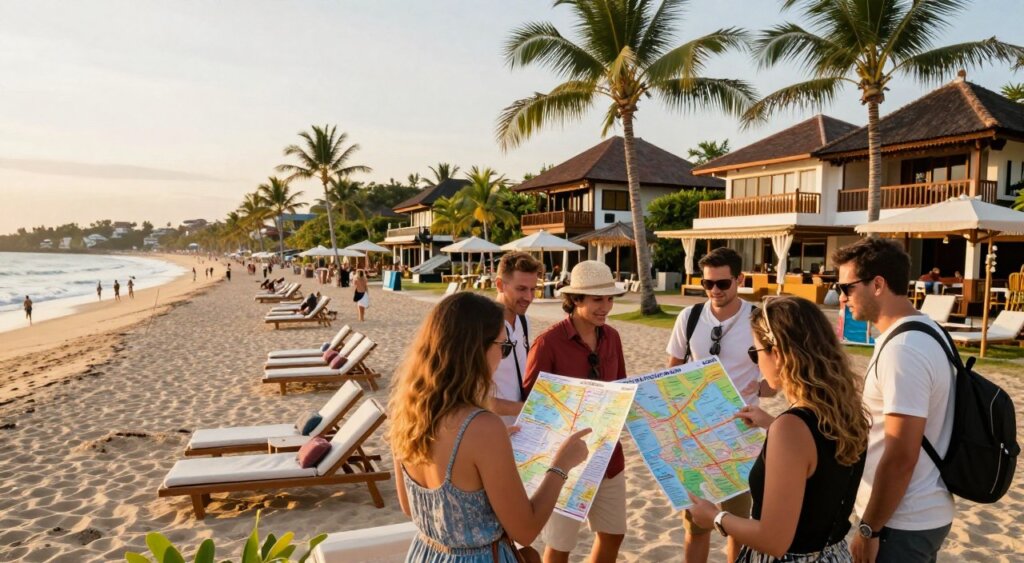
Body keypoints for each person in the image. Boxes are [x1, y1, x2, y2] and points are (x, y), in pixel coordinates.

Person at [389, 292, 592, 562]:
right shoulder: (482, 427)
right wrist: (561, 466)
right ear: (476, 351)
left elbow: (409, 507)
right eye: (503, 346)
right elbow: (526, 530)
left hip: (427, 552)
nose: (503, 356)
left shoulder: (406, 410)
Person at [688, 296, 869, 561]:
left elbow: (773, 540)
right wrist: (771, 424)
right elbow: (820, 462)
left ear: (779, 354)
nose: (757, 364)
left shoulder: (793, 429)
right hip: (834, 554)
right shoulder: (847, 412)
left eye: (755, 353)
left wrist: (715, 517)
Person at [833, 238, 955, 563]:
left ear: (878, 284)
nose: (841, 298)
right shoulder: (926, 329)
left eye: (847, 287)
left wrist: (870, 528)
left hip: (902, 520)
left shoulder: (904, 350)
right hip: (917, 511)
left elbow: (901, 454)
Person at [665, 247, 773, 563]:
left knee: (738, 526)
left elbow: (777, 378)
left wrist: (760, 388)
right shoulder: (690, 316)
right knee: (696, 525)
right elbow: (672, 369)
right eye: (708, 284)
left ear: (740, 279)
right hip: (696, 436)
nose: (715, 290)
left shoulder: (759, 320)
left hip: (741, 436)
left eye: (723, 283)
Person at [523, 260, 628, 563]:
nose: (606, 307)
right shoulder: (547, 343)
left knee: (613, 533)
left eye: (609, 298)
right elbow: (532, 405)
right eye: (598, 299)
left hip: (609, 456)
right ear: (576, 300)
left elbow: (621, 386)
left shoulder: (613, 337)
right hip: (564, 461)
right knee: (560, 544)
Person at [489, 252, 543, 425]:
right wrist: (527, 408)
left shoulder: (523, 321)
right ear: (500, 285)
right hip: (493, 431)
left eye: (533, 289)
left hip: (520, 430)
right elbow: (473, 397)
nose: (529, 297)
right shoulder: (484, 327)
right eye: (521, 289)